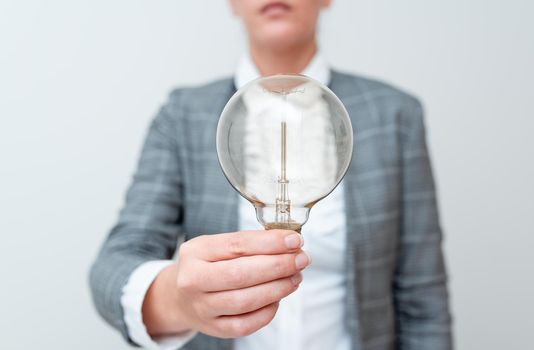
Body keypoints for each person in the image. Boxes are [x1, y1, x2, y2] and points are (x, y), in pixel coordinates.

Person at [89, 1, 453, 349]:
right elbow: (115, 264)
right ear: (232, 2)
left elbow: (423, 298)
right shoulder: (184, 116)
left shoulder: (394, 115)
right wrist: (177, 301)